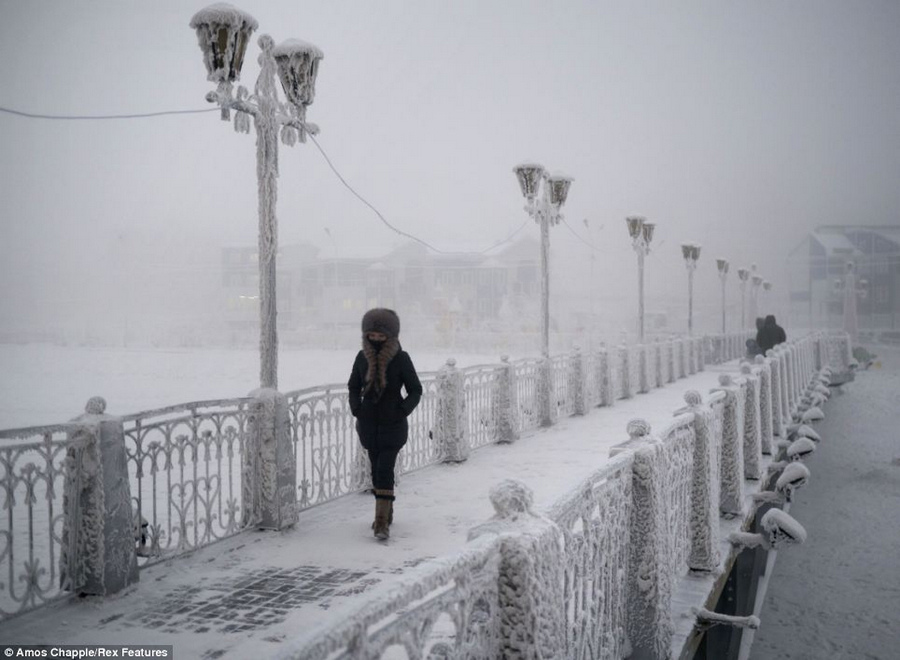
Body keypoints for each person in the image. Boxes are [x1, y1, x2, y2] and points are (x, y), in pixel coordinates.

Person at [348, 308, 422, 541]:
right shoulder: (362, 358)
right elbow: (352, 385)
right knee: (375, 470)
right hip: (368, 424)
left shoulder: (401, 358)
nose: (376, 339)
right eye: (372, 335)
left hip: (393, 425)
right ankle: (387, 511)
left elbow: (415, 390)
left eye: (381, 336)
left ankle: (381, 523)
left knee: (384, 469)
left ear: (391, 335)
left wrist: (401, 410)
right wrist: (357, 408)